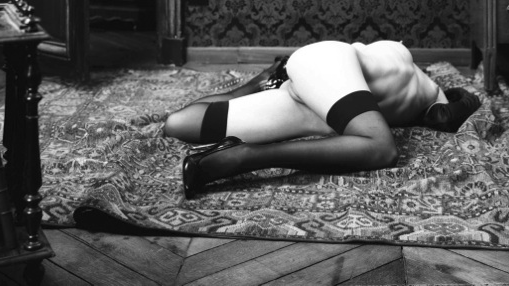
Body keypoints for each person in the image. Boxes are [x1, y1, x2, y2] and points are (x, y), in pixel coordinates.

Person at [164, 40, 481, 199]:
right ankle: (245, 157)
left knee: (178, 124)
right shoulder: (431, 96)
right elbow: (450, 115)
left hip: (315, 94)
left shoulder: (401, 57)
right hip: (326, 67)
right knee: (381, 148)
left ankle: (260, 82)